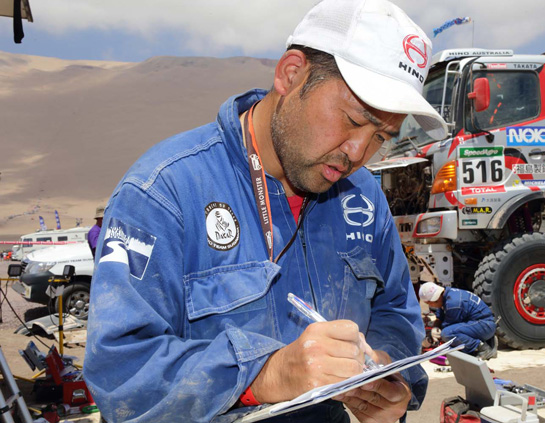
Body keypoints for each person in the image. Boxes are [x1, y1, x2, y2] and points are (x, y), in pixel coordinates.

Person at [84, 1, 448, 422]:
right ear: (291, 74)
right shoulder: (163, 191)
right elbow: (121, 374)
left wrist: (388, 373)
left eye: (381, 137)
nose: (357, 153)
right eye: (351, 120)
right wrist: (264, 374)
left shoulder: (362, 197)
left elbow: (396, 311)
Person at [418, 282, 497, 360]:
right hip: (478, 323)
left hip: (485, 325)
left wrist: (432, 337)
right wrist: (435, 327)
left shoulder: (453, 304)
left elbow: (448, 328)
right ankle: (485, 341)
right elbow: (440, 317)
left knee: (447, 334)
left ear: (434, 300)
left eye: (429, 303)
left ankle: (483, 348)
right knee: (447, 333)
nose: (430, 306)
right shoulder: (446, 295)